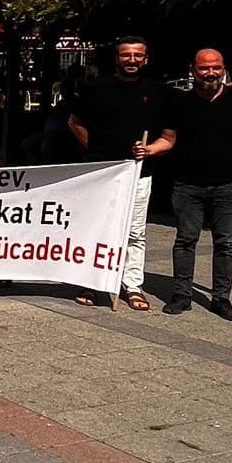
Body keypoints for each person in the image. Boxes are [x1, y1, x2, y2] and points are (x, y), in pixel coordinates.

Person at [141, 49, 232, 321]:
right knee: (185, 240)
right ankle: (181, 294)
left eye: (216, 67)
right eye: (204, 68)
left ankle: (221, 299)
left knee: (225, 242)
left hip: (231, 184)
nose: (210, 72)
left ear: (223, 69)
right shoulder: (180, 102)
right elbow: (168, 139)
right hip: (188, 185)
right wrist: (149, 150)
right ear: (193, 70)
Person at [68, 36, 171, 311]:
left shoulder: (158, 90)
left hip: (140, 171)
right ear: (118, 58)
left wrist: (149, 150)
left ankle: (132, 285)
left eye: (138, 55)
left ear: (146, 59)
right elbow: (74, 122)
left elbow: (173, 132)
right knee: (96, 227)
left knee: (135, 232)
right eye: (127, 55)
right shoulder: (96, 88)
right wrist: (95, 148)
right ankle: (92, 282)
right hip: (102, 172)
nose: (132, 60)